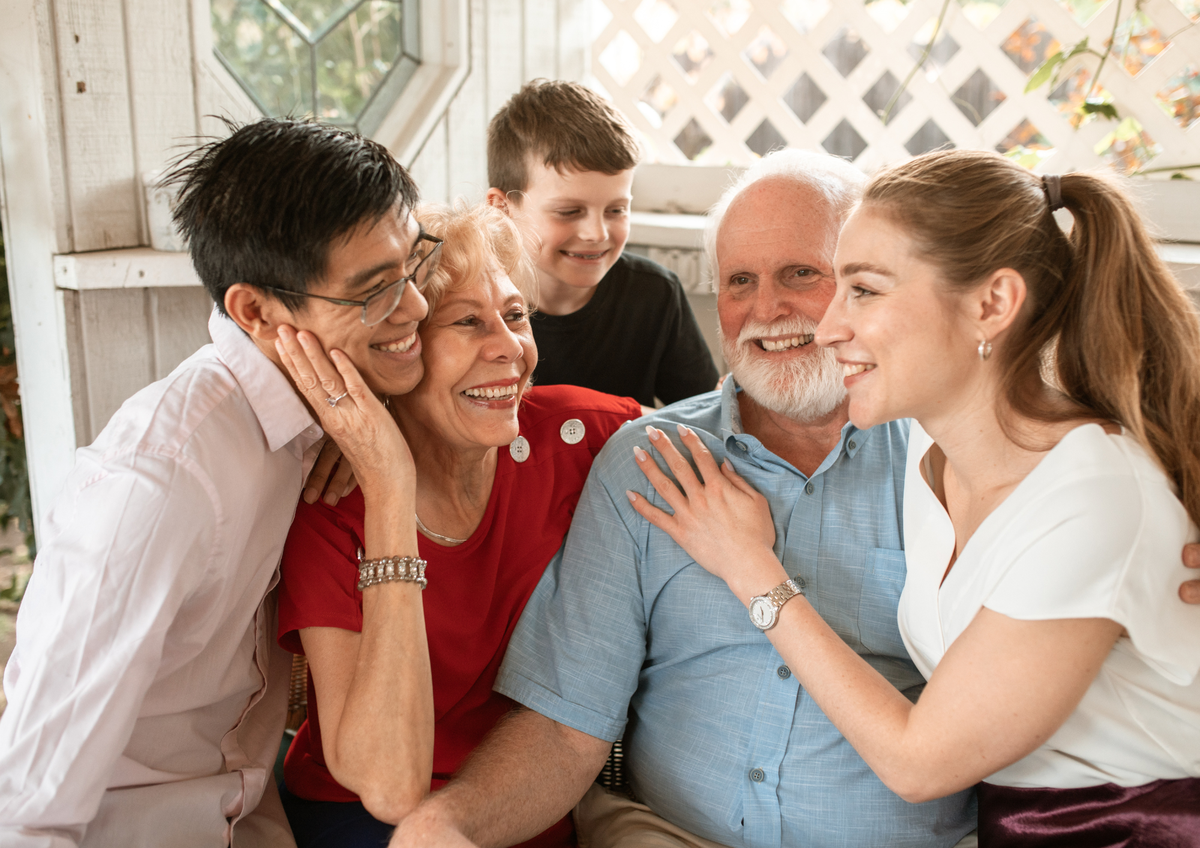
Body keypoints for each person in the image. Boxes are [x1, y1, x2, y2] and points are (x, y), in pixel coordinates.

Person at [387, 149, 1200, 848]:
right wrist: (452, 822)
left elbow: (1102, 473)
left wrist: (754, 570)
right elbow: (569, 725)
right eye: (740, 280)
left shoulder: (963, 457)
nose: (780, 312)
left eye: (817, 278)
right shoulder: (653, 457)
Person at [628, 150, 1200, 844]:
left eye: (864, 290)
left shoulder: (1092, 499)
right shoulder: (932, 452)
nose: (830, 325)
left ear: (992, 304)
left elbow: (916, 762)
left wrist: (752, 568)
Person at [0, 118, 430, 847]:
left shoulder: (323, 405)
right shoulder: (159, 480)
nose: (415, 307)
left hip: (249, 816)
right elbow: (28, 808)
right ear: (255, 313)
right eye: (375, 293)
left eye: (413, 268)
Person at [272, 202, 644, 848]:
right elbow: (389, 787)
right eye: (468, 322)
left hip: (520, 804)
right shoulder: (333, 506)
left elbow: (721, 428)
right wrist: (391, 487)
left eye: (516, 315)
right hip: (362, 822)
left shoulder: (574, 438)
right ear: (399, 352)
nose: (510, 348)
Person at [485, 79, 719, 407]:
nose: (597, 233)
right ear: (501, 209)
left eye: (616, 210)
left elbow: (704, 417)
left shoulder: (655, 295)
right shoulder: (471, 302)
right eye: (569, 211)